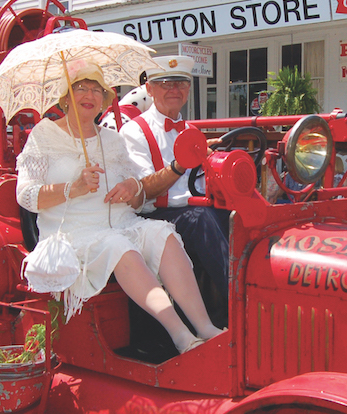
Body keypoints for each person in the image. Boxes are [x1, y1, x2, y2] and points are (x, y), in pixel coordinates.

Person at [16, 60, 223, 354]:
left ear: (104, 99)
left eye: (96, 89)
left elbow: (138, 196)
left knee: (162, 234)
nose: (89, 95)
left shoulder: (112, 140)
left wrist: (132, 188)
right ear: (65, 97)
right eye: (80, 88)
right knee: (118, 246)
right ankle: (180, 336)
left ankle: (205, 327)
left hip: (121, 221)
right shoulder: (43, 136)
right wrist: (71, 189)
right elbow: (25, 195)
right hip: (74, 230)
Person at [122, 56, 230, 325]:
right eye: (165, 83)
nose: (174, 89)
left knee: (240, 216)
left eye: (181, 83)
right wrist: (179, 165)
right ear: (149, 89)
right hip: (156, 216)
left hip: (199, 209)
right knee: (202, 221)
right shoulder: (134, 132)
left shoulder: (192, 130)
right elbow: (142, 191)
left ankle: (246, 299)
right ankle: (241, 302)